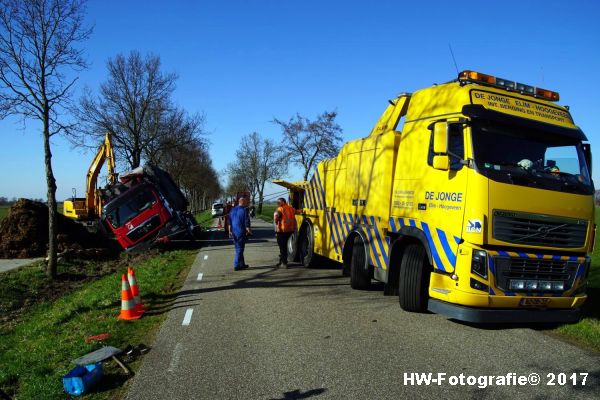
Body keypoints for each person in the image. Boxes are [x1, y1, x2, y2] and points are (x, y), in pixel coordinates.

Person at [228, 197, 252, 271]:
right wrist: (249, 231)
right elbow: (246, 222)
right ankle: (236, 265)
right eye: (245, 202)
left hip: (234, 232)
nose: (246, 203)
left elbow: (229, 222)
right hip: (240, 232)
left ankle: (242, 264)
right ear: (242, 202)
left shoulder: (232, 210)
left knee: (238, 248)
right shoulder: (244, 210)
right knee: (240, 249)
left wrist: (229, 231)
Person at [273, 197, 297, 268]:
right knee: (284, 246)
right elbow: (297, 211)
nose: (277, 203)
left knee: (282, 247)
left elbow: (276, 218)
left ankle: (284, 263)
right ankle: (281, 261)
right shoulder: (291, 208)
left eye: (279, 202)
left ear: (283, 202)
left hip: (281, 231)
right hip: (289, 230)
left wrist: (276, 226)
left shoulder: (280, 209)